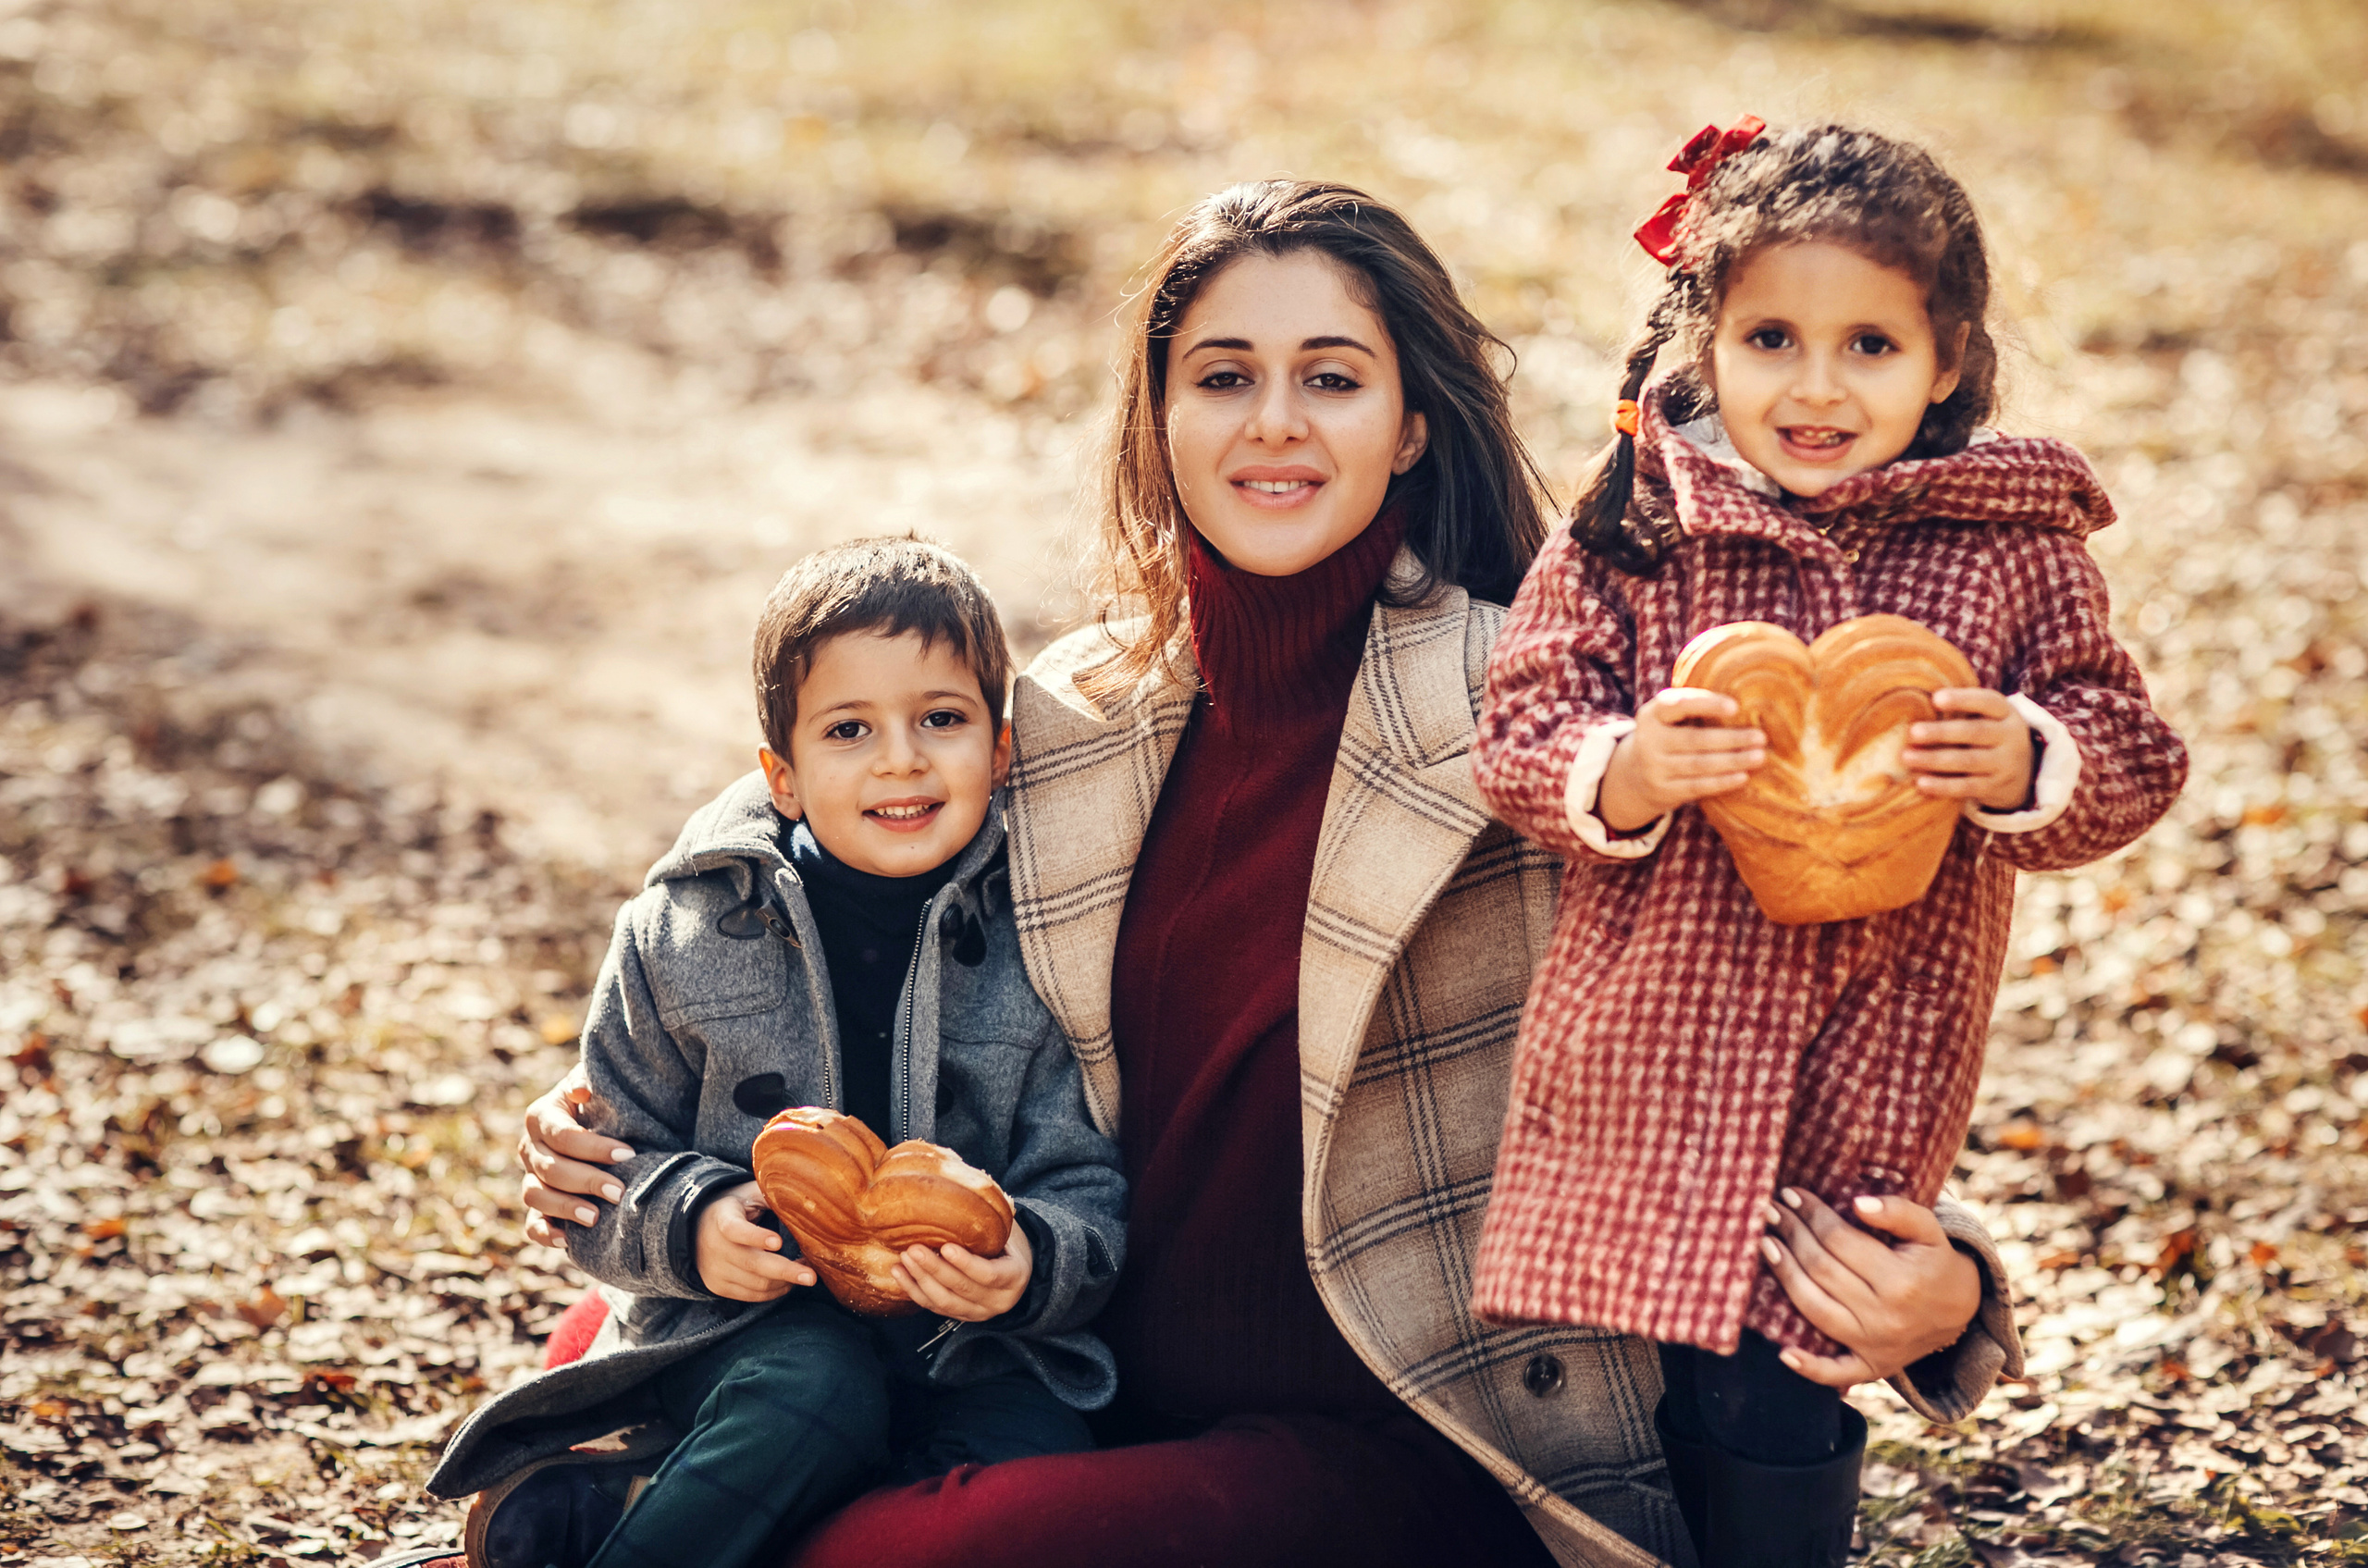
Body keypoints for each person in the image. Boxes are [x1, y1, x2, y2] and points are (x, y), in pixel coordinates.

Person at [512, 180, 2026, 1568]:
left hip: (1421, 1438)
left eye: (1333, 377)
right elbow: (826, 796)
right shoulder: (1084, 711)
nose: (1273, 426)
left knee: (894, 1560)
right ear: (1160, 418)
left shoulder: (1550, 720)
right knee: (650, 1316)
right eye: (1223, 375)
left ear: (1411, 423)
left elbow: (1785, 999)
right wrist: (616, 1105)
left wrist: (1951, 1281)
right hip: (1079, 1358)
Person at [1470, 123, 2189, 1566]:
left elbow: (2133, 745)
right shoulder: (1639, 532)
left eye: (1869, 343)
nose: (1814, 385)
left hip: (1869, 1052)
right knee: (1632, 1362)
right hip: (1650, 1051)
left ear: (1949, 361)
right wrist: (1628, 767)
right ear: (1704, 342)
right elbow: (1522, 729)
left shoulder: (2011, 545)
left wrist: (2029, 761)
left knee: (1796, 1357)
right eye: (1772, 336)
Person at [423, 538, 1127, 1568]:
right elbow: (601, 1168)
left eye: (942, 718)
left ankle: (621, 1500)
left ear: (1004, 750)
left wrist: (1028, 1266)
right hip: (746, 1339)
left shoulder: (1050, 932)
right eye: (850, 729)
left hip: (975, 1350)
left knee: (1034, 1481)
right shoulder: (680, 932)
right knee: (815, 1393)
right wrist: (697, 1224)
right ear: (783, 776)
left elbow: (1086, 1178)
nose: (901, 758)